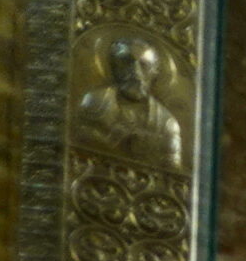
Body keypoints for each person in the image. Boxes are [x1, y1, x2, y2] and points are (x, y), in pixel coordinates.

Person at [78, 37, 183, 169]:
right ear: (114, 67)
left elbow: (173, 174)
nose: (135, 72)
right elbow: (80, 146)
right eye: (126, 62)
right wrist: (112, 141)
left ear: (154, 72)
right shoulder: (95, 102)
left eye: (144, 65)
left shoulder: (166, 123)